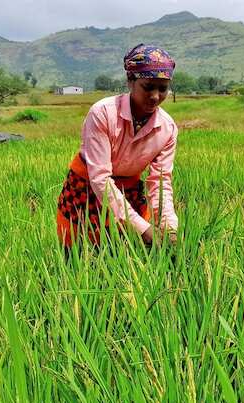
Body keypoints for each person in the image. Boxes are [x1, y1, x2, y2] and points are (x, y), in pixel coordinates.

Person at [56, 44, 179, 251]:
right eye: (148, 87)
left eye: (163, 88)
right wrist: (142, 227)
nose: (156, 96)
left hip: (128, 192)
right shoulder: (103, 113)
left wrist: (169, 226)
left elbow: (160, 181)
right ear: (130, 81)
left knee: (126, 253)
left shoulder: (167, 128)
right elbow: (100, 178)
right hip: (85, 190)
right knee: (79, 253)